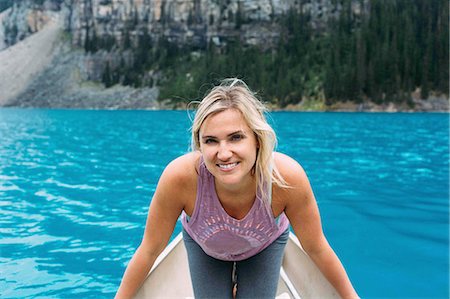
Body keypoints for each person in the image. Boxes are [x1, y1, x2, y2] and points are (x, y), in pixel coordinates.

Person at [115, 78, 359, 299]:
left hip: (263, 247)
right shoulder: (180, 177)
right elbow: (149, 249)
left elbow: (316, 247)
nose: (223, 153)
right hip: (205, 247)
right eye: (211, 140)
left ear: (257, 139)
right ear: (199, 144)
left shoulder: (285, 178)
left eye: (235, 137)